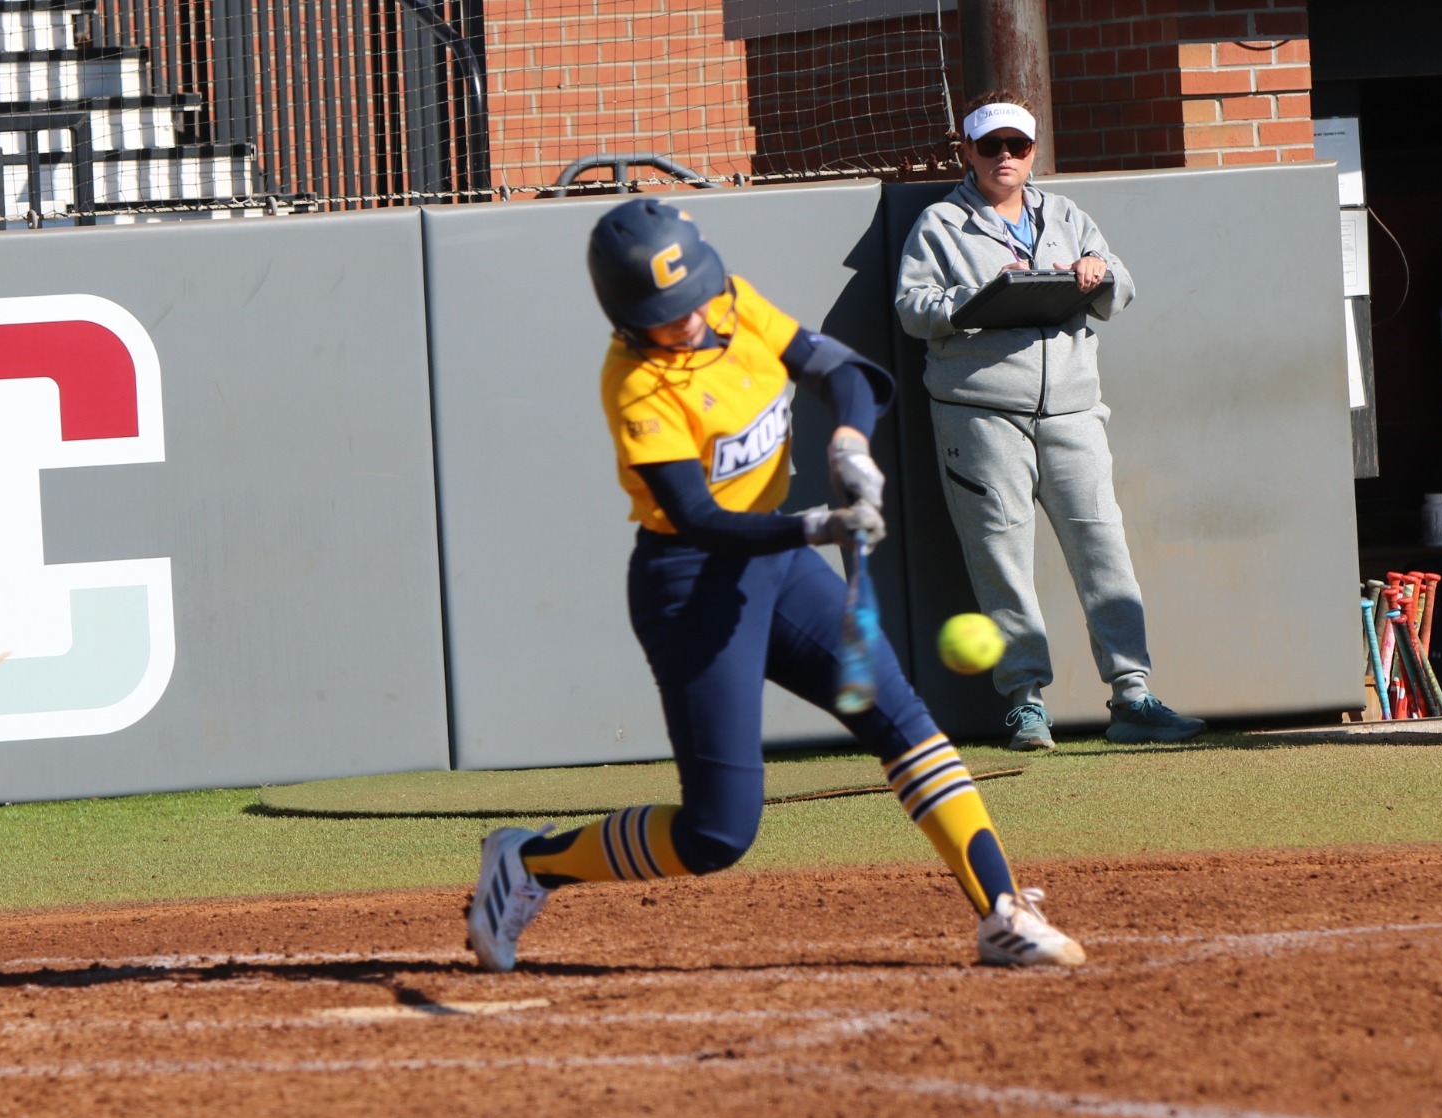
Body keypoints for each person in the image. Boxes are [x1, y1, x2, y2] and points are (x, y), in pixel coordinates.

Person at [464, 197, 1085, 973]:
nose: (690, 320)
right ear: (627, 319)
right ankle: (531, 862)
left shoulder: (730, 301)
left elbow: (842, 371)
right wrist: (817, 527)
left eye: (693, 299)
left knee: (903, 719)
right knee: (716, 833)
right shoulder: (635, 383)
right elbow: (694, 517)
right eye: (668, 313)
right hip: (691, 588)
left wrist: (852, 442)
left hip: (780, 566)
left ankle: (1002, 912)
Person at [895, 92, 1206, 751]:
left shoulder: (1065, 213)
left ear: (1034, 152)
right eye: (991, 146)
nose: (1005, 157)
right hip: (979, 414)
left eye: (1018, 146)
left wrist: (1097, 273)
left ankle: (1132, 697)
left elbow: (1120, 279)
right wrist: (974, 300)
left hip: (1072, 409)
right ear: (967, 152)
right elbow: (912, 308)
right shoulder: (940, 224)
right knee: (1001, 554)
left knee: (1103, 547)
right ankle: (1025, 702)